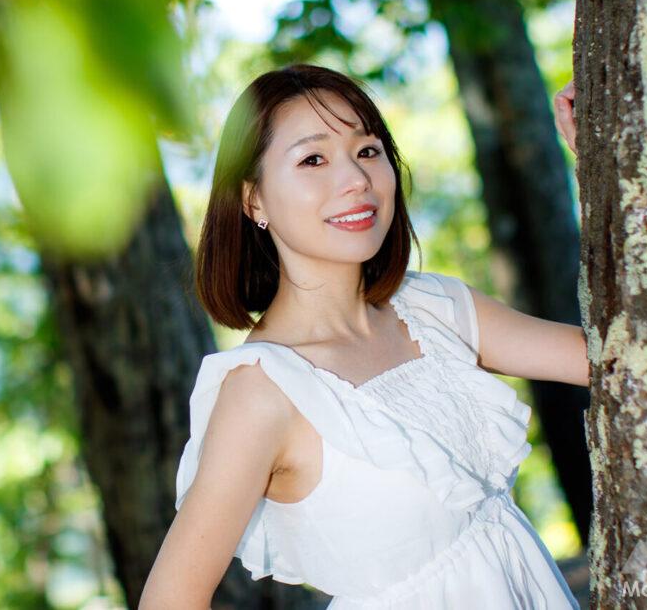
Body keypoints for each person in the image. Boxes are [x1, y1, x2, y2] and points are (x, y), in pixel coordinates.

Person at [140, 64, 587, 609]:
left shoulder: (432, 308)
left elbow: (616, 360)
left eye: (368, 150)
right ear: (253, 200)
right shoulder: (263, 390)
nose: (355, 179)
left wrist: (603, 165)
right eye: (312, 159)